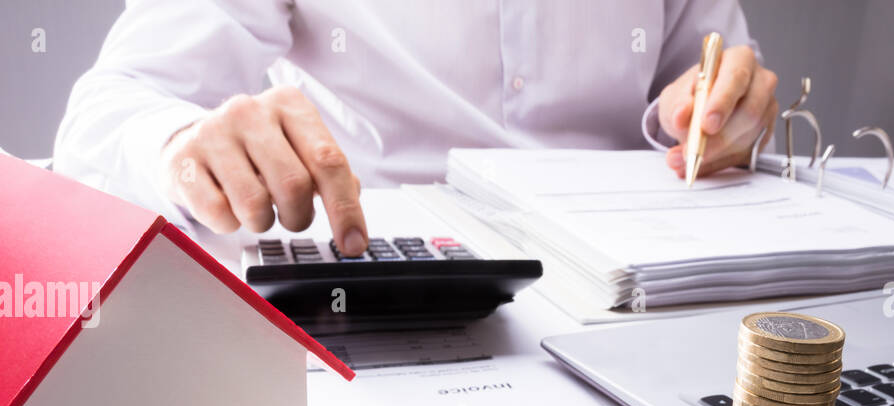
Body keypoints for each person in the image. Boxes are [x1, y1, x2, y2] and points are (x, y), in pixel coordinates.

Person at [55, 0, 777, 257]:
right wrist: (187, 150)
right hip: (380, 283)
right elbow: (110, 109)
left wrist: (719, 116)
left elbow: (705, 84)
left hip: (627, 279)